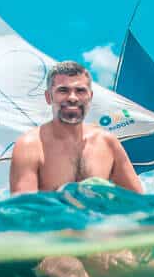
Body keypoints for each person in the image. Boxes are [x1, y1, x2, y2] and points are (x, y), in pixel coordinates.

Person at [10, 61, 144, 194]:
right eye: (63, 90)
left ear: (90, 97)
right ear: (48, 97)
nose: (72, 98)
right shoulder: (29, 146)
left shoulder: (107, 143)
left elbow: (139, 202)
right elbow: (24, 209)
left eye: (80, 91)